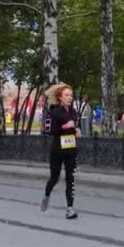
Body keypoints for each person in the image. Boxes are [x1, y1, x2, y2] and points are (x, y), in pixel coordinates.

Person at [40, 83, 79, 219]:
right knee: (54, 178)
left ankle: (70, 208)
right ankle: (46, 195)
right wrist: (65, 126)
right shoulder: (55, 111)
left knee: (70, 179)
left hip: (71, 149)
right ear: (60, 98)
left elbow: (74, 127)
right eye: (66, 95)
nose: (69, 98)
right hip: (57, 149)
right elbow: (50, 131)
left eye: (71, 95)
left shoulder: (73, 112)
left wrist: (75, 130)